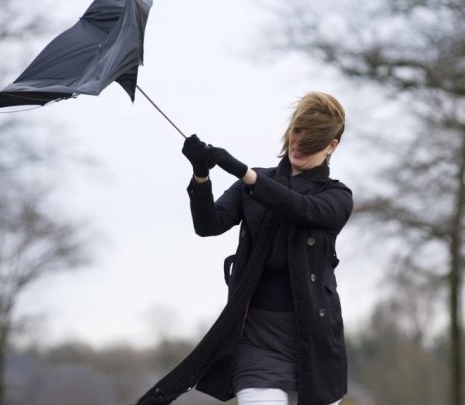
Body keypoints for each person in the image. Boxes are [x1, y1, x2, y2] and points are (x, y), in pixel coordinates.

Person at [135, 92, 352, 405]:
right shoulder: (254, 184)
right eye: (297, 132)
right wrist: (201, 174)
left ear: (331, 146)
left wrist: (241, 171)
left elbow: (299, 207)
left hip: (315, 345)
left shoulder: (336, 197)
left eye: (312, 139)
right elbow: (209, 225)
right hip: (257, 341)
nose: (299, 143)